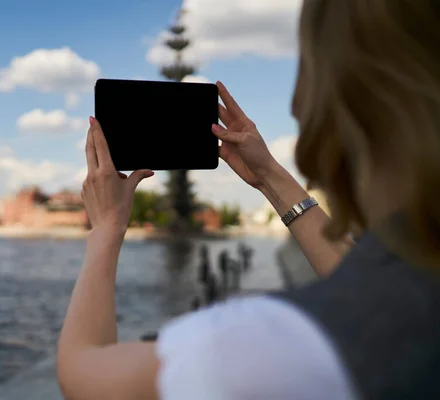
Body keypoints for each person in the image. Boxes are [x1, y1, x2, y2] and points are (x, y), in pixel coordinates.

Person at [57, 1, 440, 399]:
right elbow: (366, 294)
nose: (296, 102)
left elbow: (83, 375)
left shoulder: (275, 344)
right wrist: (269, 177)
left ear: (345, 102)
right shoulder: (416, 285)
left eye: (310, 70)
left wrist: (106, 229)